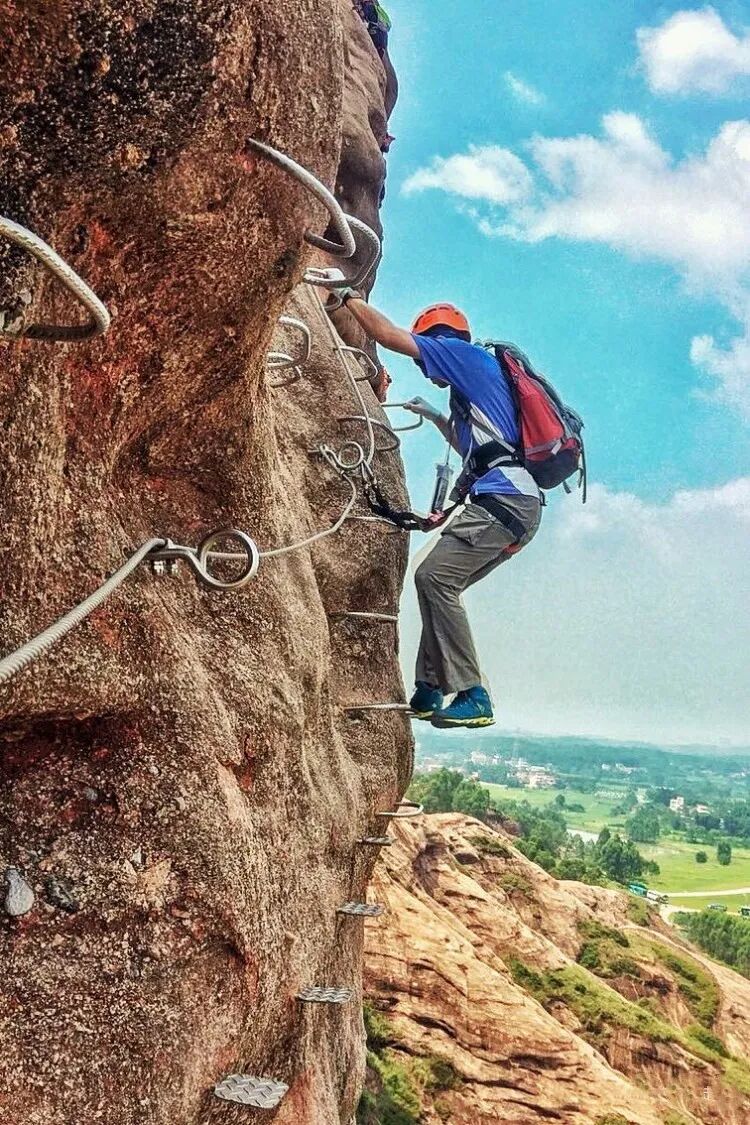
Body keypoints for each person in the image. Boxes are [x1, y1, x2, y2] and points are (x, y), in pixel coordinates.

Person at [336, 292, 542, 729]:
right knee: (440, 584)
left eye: (423, 355)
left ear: (438, 340)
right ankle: (430, 688)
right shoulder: (473, 392)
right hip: (512, 504)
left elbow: (389, 335)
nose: (422, 367)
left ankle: (472, 692)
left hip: (504, 501)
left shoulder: (460, 354)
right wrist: (435, 418)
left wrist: (349, 296)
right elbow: (479, 454)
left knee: (433, 578)